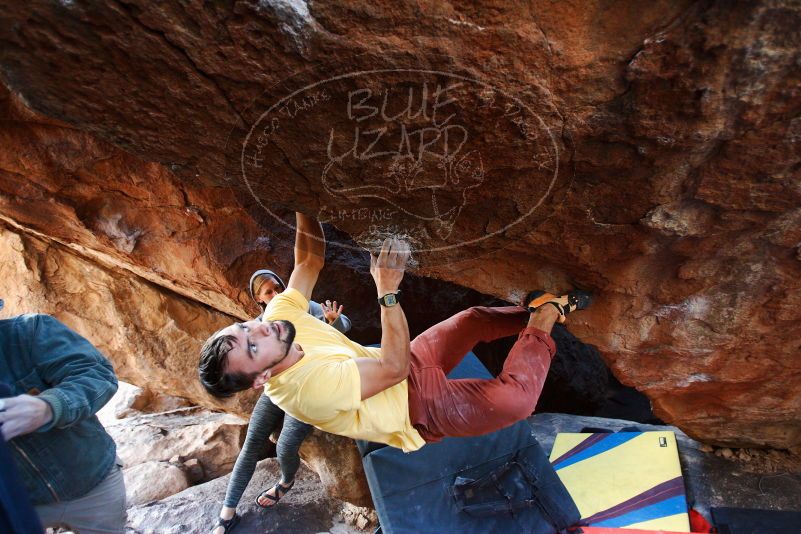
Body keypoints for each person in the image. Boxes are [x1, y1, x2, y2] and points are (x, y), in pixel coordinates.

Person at [198, 212, 590, 455]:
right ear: (262, 378)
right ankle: (550, 312)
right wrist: (386, 292)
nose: (259, 327)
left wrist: (304, 201)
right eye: (253, 345)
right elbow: (394, 367)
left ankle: (536, 308)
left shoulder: (277, 319)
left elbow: (308, 260)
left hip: (400, 363)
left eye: (244, 326)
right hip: (417, 408)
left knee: (471, 320)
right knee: (516, 401)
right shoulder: (303, 393)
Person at [211, 269, 353, 533]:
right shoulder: (259, 323)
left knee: (285, 445)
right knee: (252, 443)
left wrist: (334, 322)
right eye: (268, 292)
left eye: (278, 287)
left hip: (306, 387)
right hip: (277, 389)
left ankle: (286, 481)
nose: (276, 293)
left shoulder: (301, 304)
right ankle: (226, 515)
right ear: (260, 300)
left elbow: (344, 325)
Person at [0, 305, 126, 534]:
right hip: (18, 506)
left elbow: (97, 374)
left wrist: (50, 406)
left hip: (92, 481)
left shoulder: (30, 332)